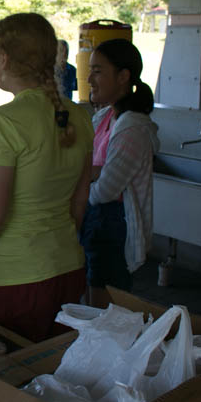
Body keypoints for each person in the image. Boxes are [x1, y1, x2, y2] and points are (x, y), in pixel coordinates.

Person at [0, 13, 94, 343]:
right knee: (54, 374)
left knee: (9, 381)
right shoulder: (79, 117)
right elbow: (79, 203)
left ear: (2, 58)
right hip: (68, 269)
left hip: (13, 280)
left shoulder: (3, 122)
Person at [82, 39, 160, 309]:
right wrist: (90, 174)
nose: (89, 78)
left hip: (111, 226)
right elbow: (87, 167)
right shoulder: (104, 117)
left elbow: (104, 191)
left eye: (98, 71)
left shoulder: (132, 128)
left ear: (124, 76)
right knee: (93, 298)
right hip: (96, 221)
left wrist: (78, 188)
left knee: (107, 311)